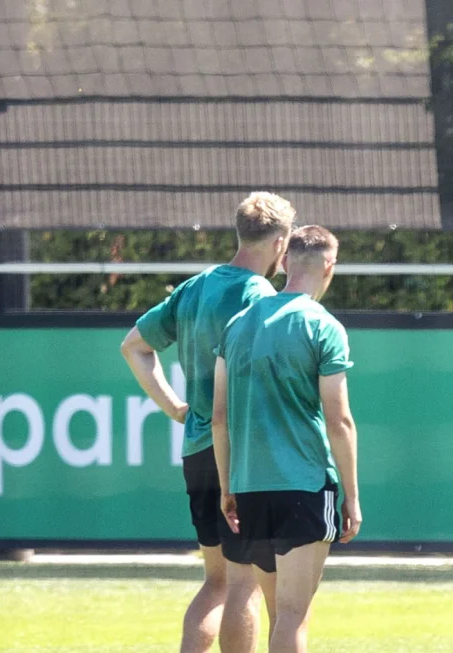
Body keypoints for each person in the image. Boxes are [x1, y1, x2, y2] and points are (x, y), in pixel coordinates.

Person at [121, 191, 295, 653]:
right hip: (239, 455)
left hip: (198, 448)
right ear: (280, 243)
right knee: (244, 584)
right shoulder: (260, 296)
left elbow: (134, 346)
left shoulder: (195, 286)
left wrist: (175, 408)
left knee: (216, 582)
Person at [212, 225, 361, 653]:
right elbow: (339, 420)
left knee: (280, 612)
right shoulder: (323, 325)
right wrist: (352, 496)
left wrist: (227, 487)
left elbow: (219, 418)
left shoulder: (238, 324)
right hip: (305, 485)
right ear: (329, 266)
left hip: (250, 487)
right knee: (294, 614)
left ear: (284, 262)